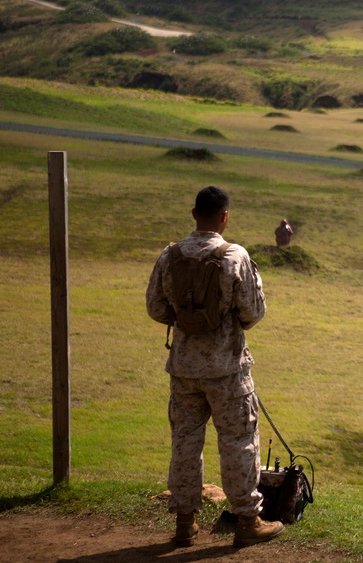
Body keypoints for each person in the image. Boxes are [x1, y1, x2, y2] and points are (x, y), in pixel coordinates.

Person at [146, 186, 284, 548]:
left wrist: (184, 320)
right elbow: (253, 312)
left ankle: (184, 523)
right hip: (227, 370)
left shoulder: (170, 254)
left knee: (185, 442)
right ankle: (248, 521)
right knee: (238, 442)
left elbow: (156, 308)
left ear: (194, 214)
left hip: (184, 369)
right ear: (225, 216)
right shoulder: (234, 256)